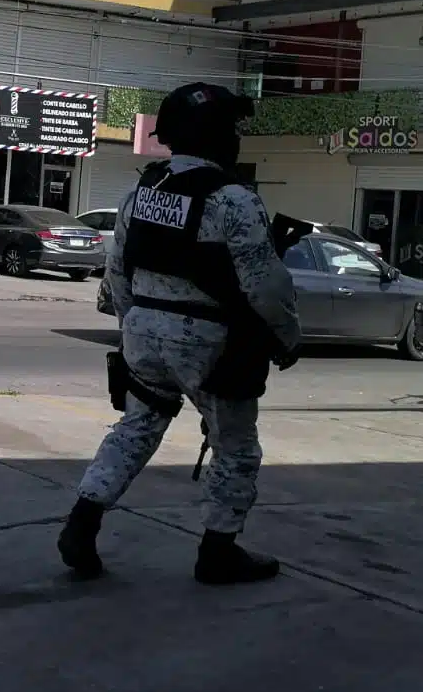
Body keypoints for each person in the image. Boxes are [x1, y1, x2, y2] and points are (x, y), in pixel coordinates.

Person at [58, 83, 301, 586]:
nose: (238, 140)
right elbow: (265, 285)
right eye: (232, 129)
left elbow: (117, 274)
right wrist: (287, 336)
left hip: (144, 330)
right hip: (210, 342)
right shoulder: (234, 199)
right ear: (214, 135)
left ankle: (82, 523)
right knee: (235, 447)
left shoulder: (141, 192)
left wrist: (134, 329)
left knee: (136, 428)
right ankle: (218, 550)